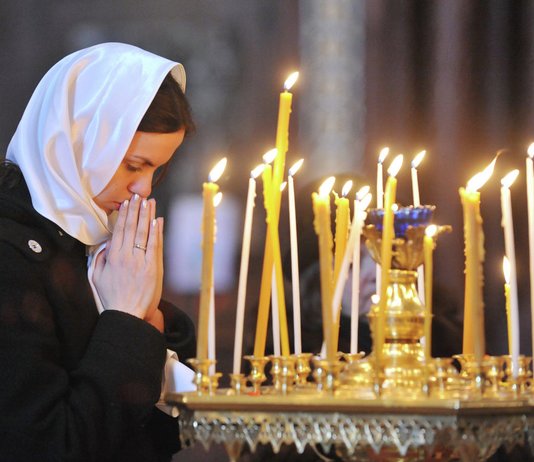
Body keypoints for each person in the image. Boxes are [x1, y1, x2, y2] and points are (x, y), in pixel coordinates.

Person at [0, 42, 196, 461]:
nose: (144, 189)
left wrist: (151, 321)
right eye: (133, 165)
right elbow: (49, 444)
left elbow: (157, 436)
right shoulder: (9, 255)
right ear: (74, 141)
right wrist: (127, 323)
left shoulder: (90, 243)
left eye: (156, 170)